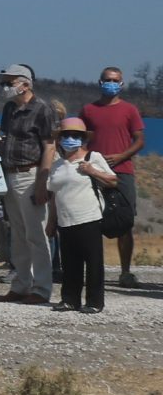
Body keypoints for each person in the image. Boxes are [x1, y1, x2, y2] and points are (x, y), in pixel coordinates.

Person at [0, 64, 60, 304]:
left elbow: (50, 146)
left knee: (36, 234)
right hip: (9, 174)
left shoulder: (43, 109)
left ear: (24, 83)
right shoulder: (9, 108)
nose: (5, 87)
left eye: (9, 82)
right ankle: (21, 284)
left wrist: (42, 181)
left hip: (30, 174)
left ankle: (42, 288)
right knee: (18, 234)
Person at [46, 117, 120, 313]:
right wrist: (51, 222)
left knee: (93, 262)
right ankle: (70, 299)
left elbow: (113, 180)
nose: (70, 139)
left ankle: (95, 302)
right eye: (66, 135)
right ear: (59, 139)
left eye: (75, 136)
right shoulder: (57, 166)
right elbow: (54, 195)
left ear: (83, 139)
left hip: (89, 217)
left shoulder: (92, 158)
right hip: (65, 219)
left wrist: (92, 171)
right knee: (70, 262)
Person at [79, 66, 144, 286]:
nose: (111, 83)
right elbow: (79, 138)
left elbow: (139, 140)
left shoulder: (130, 110)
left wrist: (121, 156)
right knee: (92, 219)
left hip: (123, 171)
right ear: (100, 82)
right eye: (108, 80)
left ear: (122, 84)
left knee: (124, 221)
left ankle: (125, 272)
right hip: (94, 171)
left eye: (115, 80)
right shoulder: (88, 110)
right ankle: (94, 270)